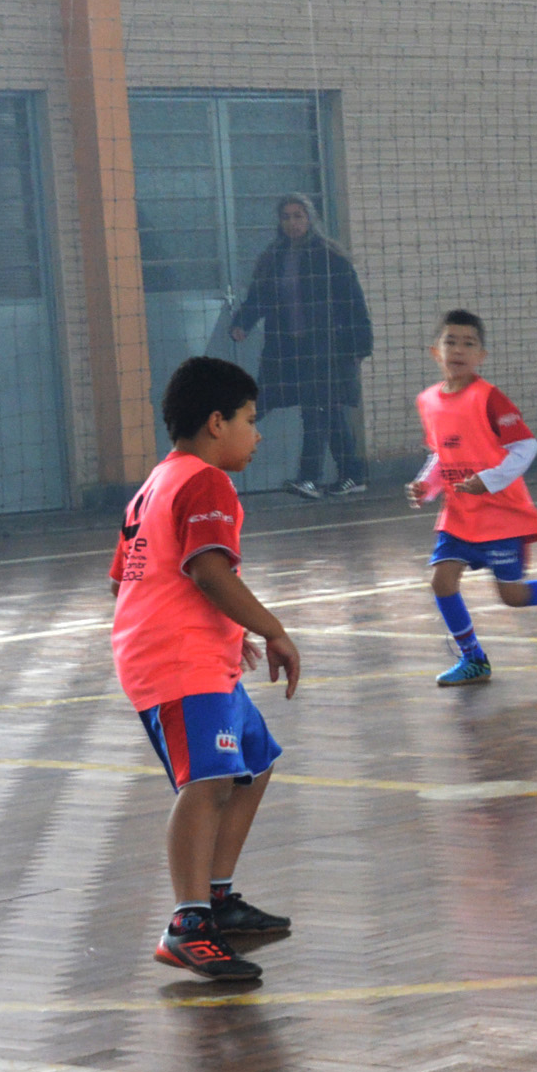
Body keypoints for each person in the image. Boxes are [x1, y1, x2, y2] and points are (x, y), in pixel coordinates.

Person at [109, 354, 302, 982]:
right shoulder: (205, 482)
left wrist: (221, 629)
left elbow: (126, 581)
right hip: (176, 662)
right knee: (209, 783)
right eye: (250, 419)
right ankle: (188, 923)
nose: (257, 432)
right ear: (216, 423)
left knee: (252, 764)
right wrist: (270, 628)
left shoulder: (155, 483)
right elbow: (206, 569)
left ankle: (217, 899)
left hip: (183, 653)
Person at [407, 310, 537, 687]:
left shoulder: (489, 398)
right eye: (451, 341)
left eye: (469, 343)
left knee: (512, 596)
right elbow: (441, 453)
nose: (459, 349)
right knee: (442, 581)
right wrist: (426, 485)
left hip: (499, 514)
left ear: (481, 356)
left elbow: (525, 447)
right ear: (435, 351)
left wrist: (488, 480)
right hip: (459, 516)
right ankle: (474, 659)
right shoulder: (428, 401)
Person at [227, 195, 373, 500]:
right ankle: (353, 475)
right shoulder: (274, 257)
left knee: (317, 409)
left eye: (298, 216)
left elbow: (353, 303)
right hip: (287, 348)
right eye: (286, 217)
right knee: (325, 410)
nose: (293, 223)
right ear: (280, 222)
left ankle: (309, 478)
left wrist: (360, 345)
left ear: (310, 219)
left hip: (325, 348)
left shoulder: (330, 256)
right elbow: (259, 297)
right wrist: (243, 322)